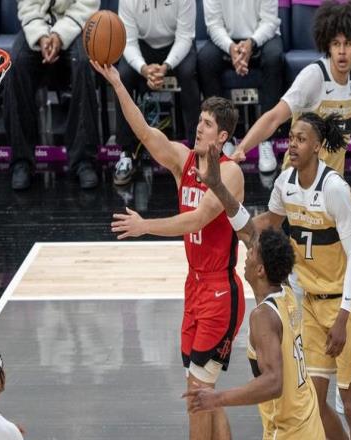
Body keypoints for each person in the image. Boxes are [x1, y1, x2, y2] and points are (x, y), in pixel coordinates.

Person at [92, 60, 245, 440]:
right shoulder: (183, 160)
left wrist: (145, 226)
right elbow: (145, 133)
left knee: (196, 394)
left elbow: (197, 220)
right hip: (194, 287)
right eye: (199, 121)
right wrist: (118, 84)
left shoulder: (230, 173)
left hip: (220, 291)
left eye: (207, 124)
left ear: (222, 136)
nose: (198, 127)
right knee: (204, 390)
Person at [183, 144, 325, 439]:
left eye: (251, 254)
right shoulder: (284, 290)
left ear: (260, 270)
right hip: (309, 421)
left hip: (289, 432)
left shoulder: (262, 317)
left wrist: (218, 398)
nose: (245, 255)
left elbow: (274, 382)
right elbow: (248, 230)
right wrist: (218, 186)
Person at [250, 111, 351, 439]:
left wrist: (343, 316)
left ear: (317, 146)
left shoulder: (334, 189)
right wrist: (226, 218)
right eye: (291, 138)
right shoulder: (284, 183)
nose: (292, 145)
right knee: (313, 401)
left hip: (345, 302)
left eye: (301, 139)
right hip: (311, 303)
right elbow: (266, 226)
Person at [232, 0, 351, 173]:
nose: (342, 51)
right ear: (328, 46)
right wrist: (242, 148)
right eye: (336, 44)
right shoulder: (313, 76)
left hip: (331, 180)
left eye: (348, 44)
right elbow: (273, 117)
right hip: (298, 181)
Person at [3, 0, 100, 190]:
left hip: (75, 26)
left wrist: (59, 35)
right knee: (16, 63)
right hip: (38, 26)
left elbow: (87, 5)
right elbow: (27, 5)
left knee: (82, 62)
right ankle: (21, 161)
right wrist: (41, 36)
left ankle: (83, 161)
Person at [113, 0, 200, 186]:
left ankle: (196, 152)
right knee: (123, 76)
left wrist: (166, 66)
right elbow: (128, 42)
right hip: (142, 46)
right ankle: (126, 153)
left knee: (188, 73)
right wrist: (144, 69)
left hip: (176, 43)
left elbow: (185, 37)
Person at [197, 0, 284, 173]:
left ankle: (266, 140)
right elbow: (214, 25)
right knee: (205, 60)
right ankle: (225, 140)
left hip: (261, 38)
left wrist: (251, 43)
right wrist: (231, 47)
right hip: (226, 41)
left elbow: (269, 21)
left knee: (274, 58)